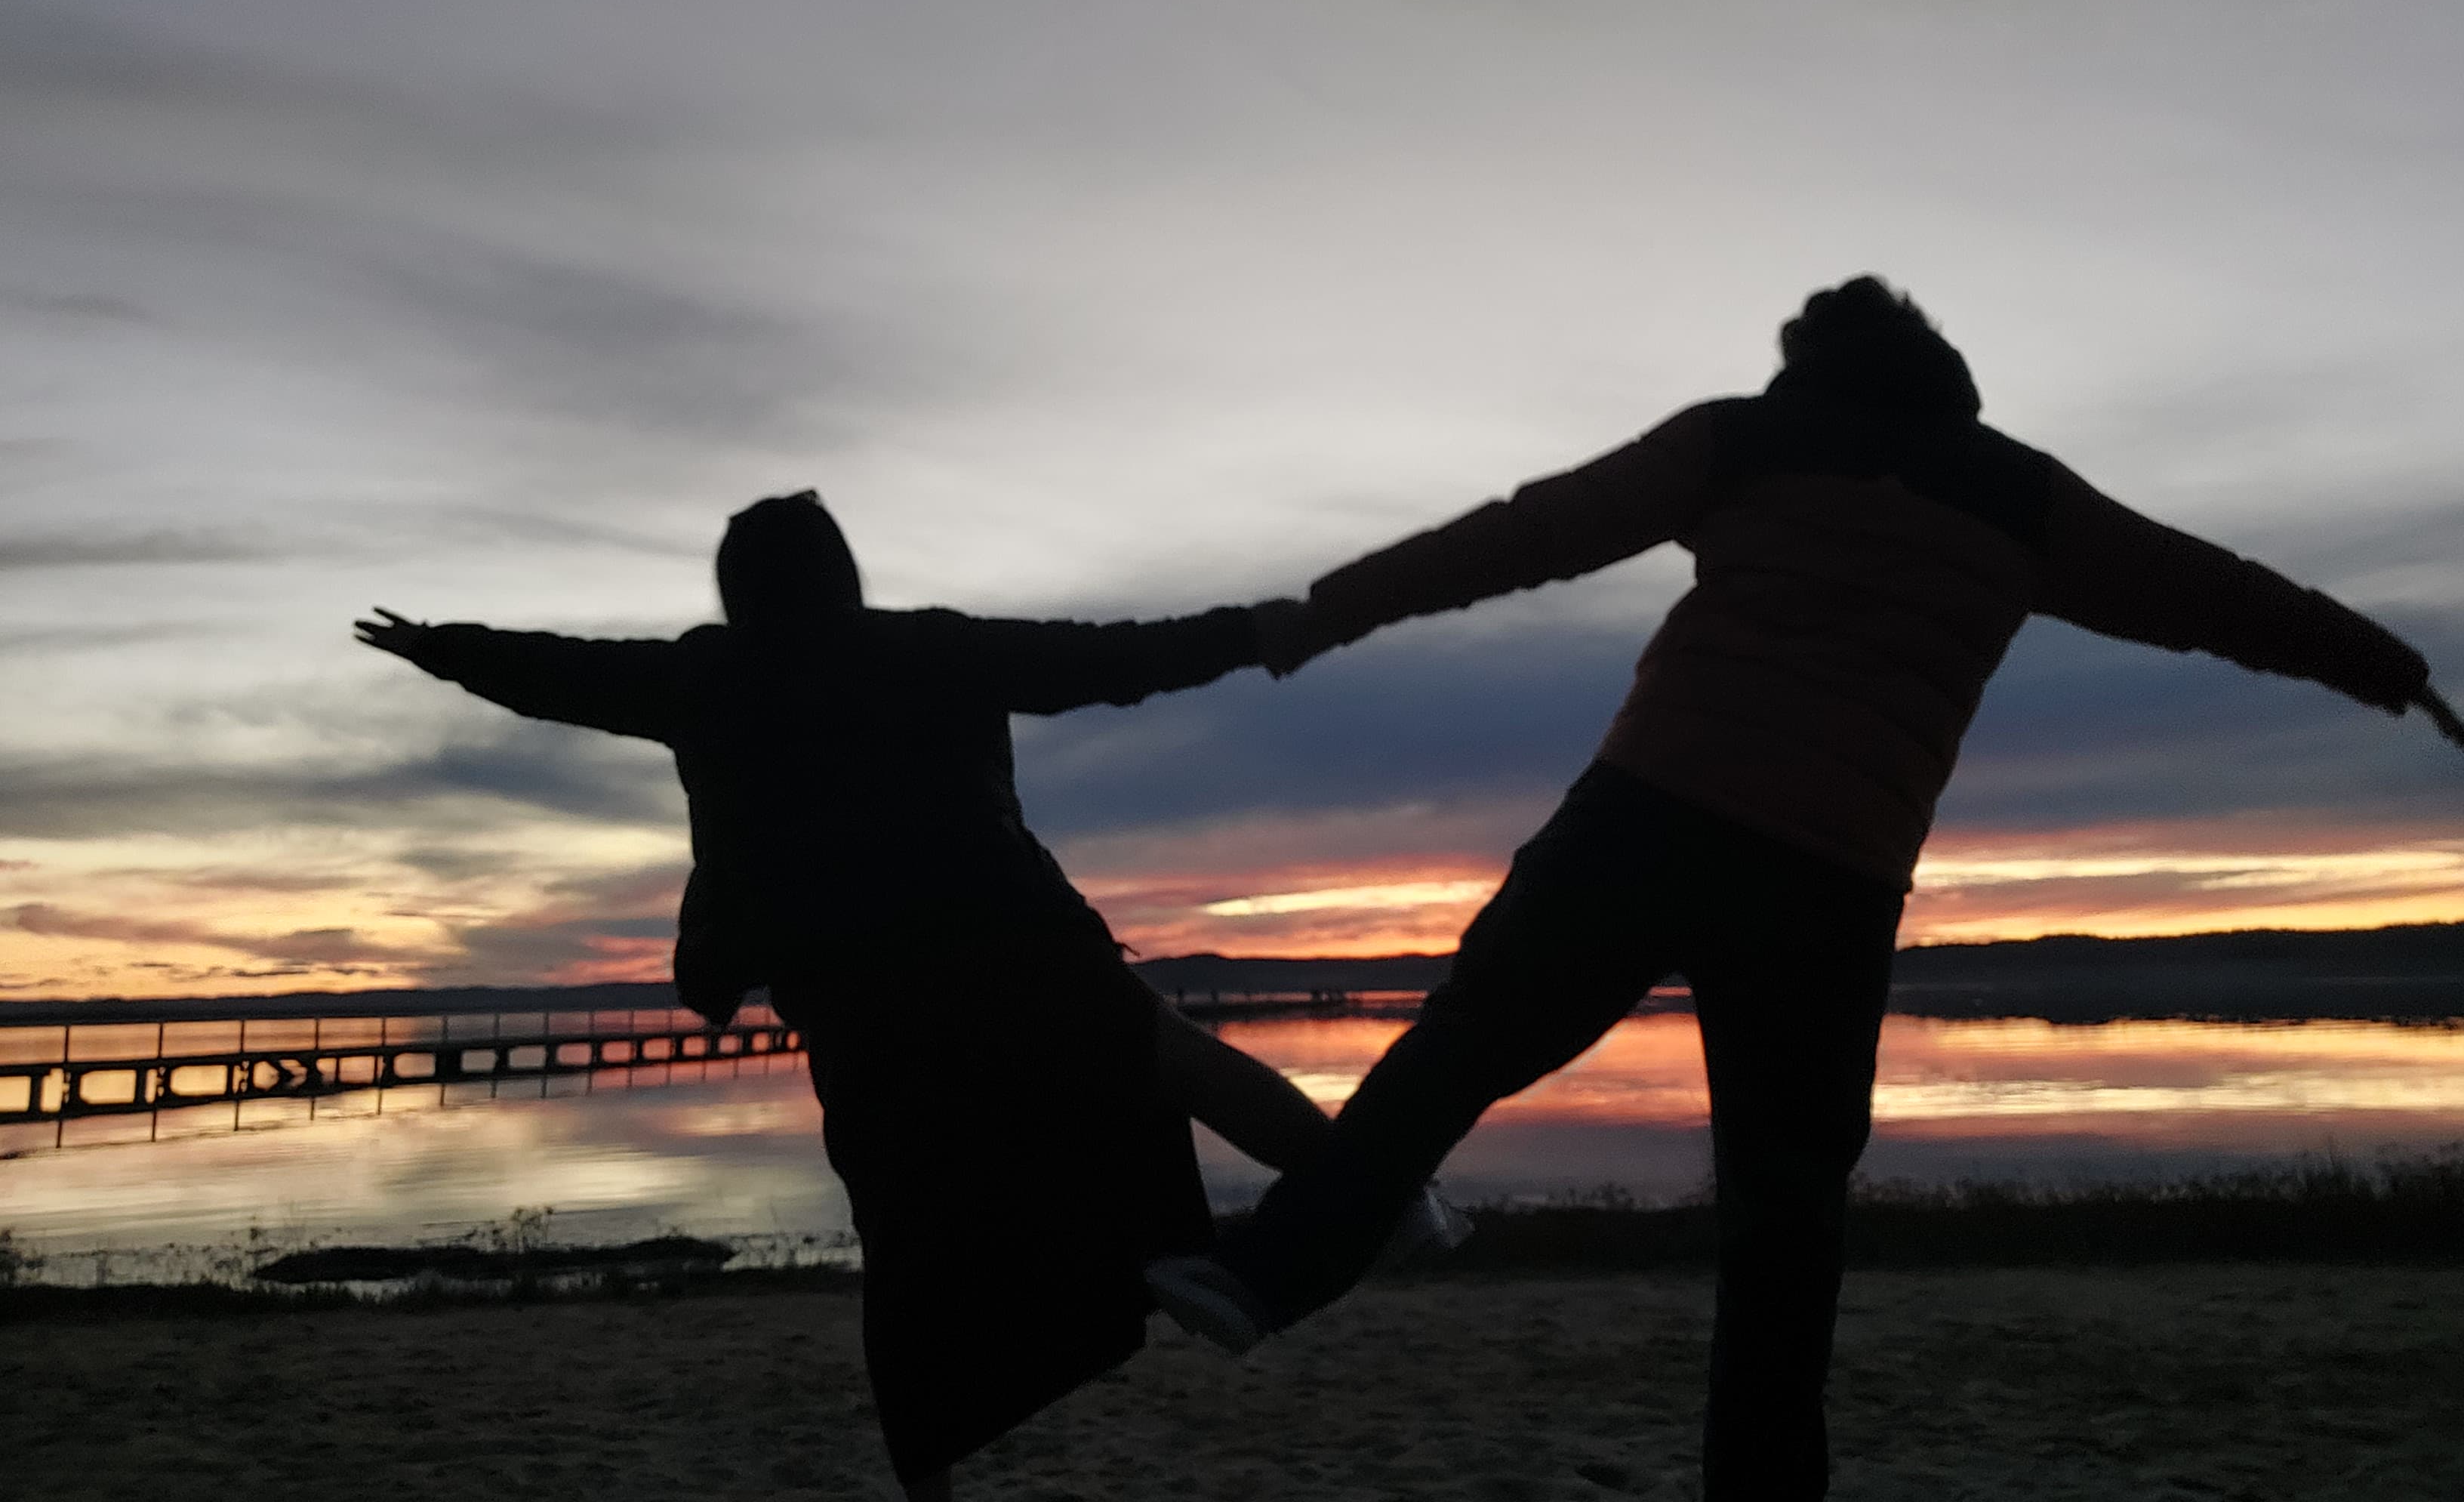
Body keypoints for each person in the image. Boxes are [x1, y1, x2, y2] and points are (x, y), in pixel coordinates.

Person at [1147, 278, 2459, 1500]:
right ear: (1945, 381)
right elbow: (2214, 594)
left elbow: (1528, 533)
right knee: (1786, 1210)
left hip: (1648, 818)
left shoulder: (1747, 440)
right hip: (1832, 878)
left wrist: (1326, 613)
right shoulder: (2021, 496)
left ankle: (1267, 1276)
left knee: (1452, 1061)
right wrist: (2390, 670)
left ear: (1808, 370)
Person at [356, 492, 1449, 1502]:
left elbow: (556, 671)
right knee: (1162, 1057)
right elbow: (1112, 660)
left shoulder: (706, 674)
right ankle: (1375, 1195)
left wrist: (438, 650)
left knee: (907, 1222)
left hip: (853, 984)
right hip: (1007, 941)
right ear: (843, 579)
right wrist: (1257, 633)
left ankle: (932, 1467)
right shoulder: (924, 648)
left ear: (739, 590)